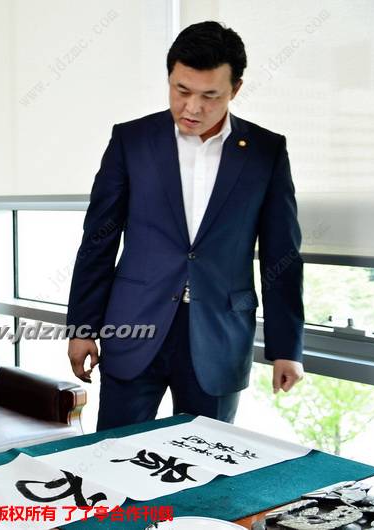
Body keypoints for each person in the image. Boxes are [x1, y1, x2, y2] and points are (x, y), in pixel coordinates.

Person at [66, 21, 304, 430]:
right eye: (181, 91)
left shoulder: (265, 152)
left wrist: (287, 347)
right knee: (112, 451)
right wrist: (83, 327)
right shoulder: (131, 141)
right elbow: (98, 241)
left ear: (235, 89)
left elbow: (281, 254)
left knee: (205, 457)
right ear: (169, 79)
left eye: (209, 96)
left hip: (219, 335)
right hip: (134, 326)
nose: (192, 108)